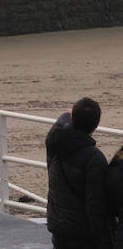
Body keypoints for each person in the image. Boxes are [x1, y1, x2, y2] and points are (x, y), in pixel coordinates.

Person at [46, 96, 111, 249]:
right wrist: (104, 242)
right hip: (82, 234)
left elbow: (60, 124)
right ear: (96, 124)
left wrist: (69, 115)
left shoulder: (54, 142)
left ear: (72, 119)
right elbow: (95, 207)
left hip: (59, 227)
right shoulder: (94, 158)